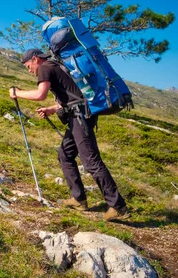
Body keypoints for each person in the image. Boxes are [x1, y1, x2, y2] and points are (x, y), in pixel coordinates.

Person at [9, 48, 130, 221]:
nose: (29, 70)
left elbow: (40, 95)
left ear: (35, 59)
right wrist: (52, 109)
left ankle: (118, 207)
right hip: (80, 116)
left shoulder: (45, 67)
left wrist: (16, 93)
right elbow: (74, 95)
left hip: (79, 118)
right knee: (65, 155)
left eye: (28, 66)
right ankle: (79, 199)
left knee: (91, 162)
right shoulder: (57, 65)